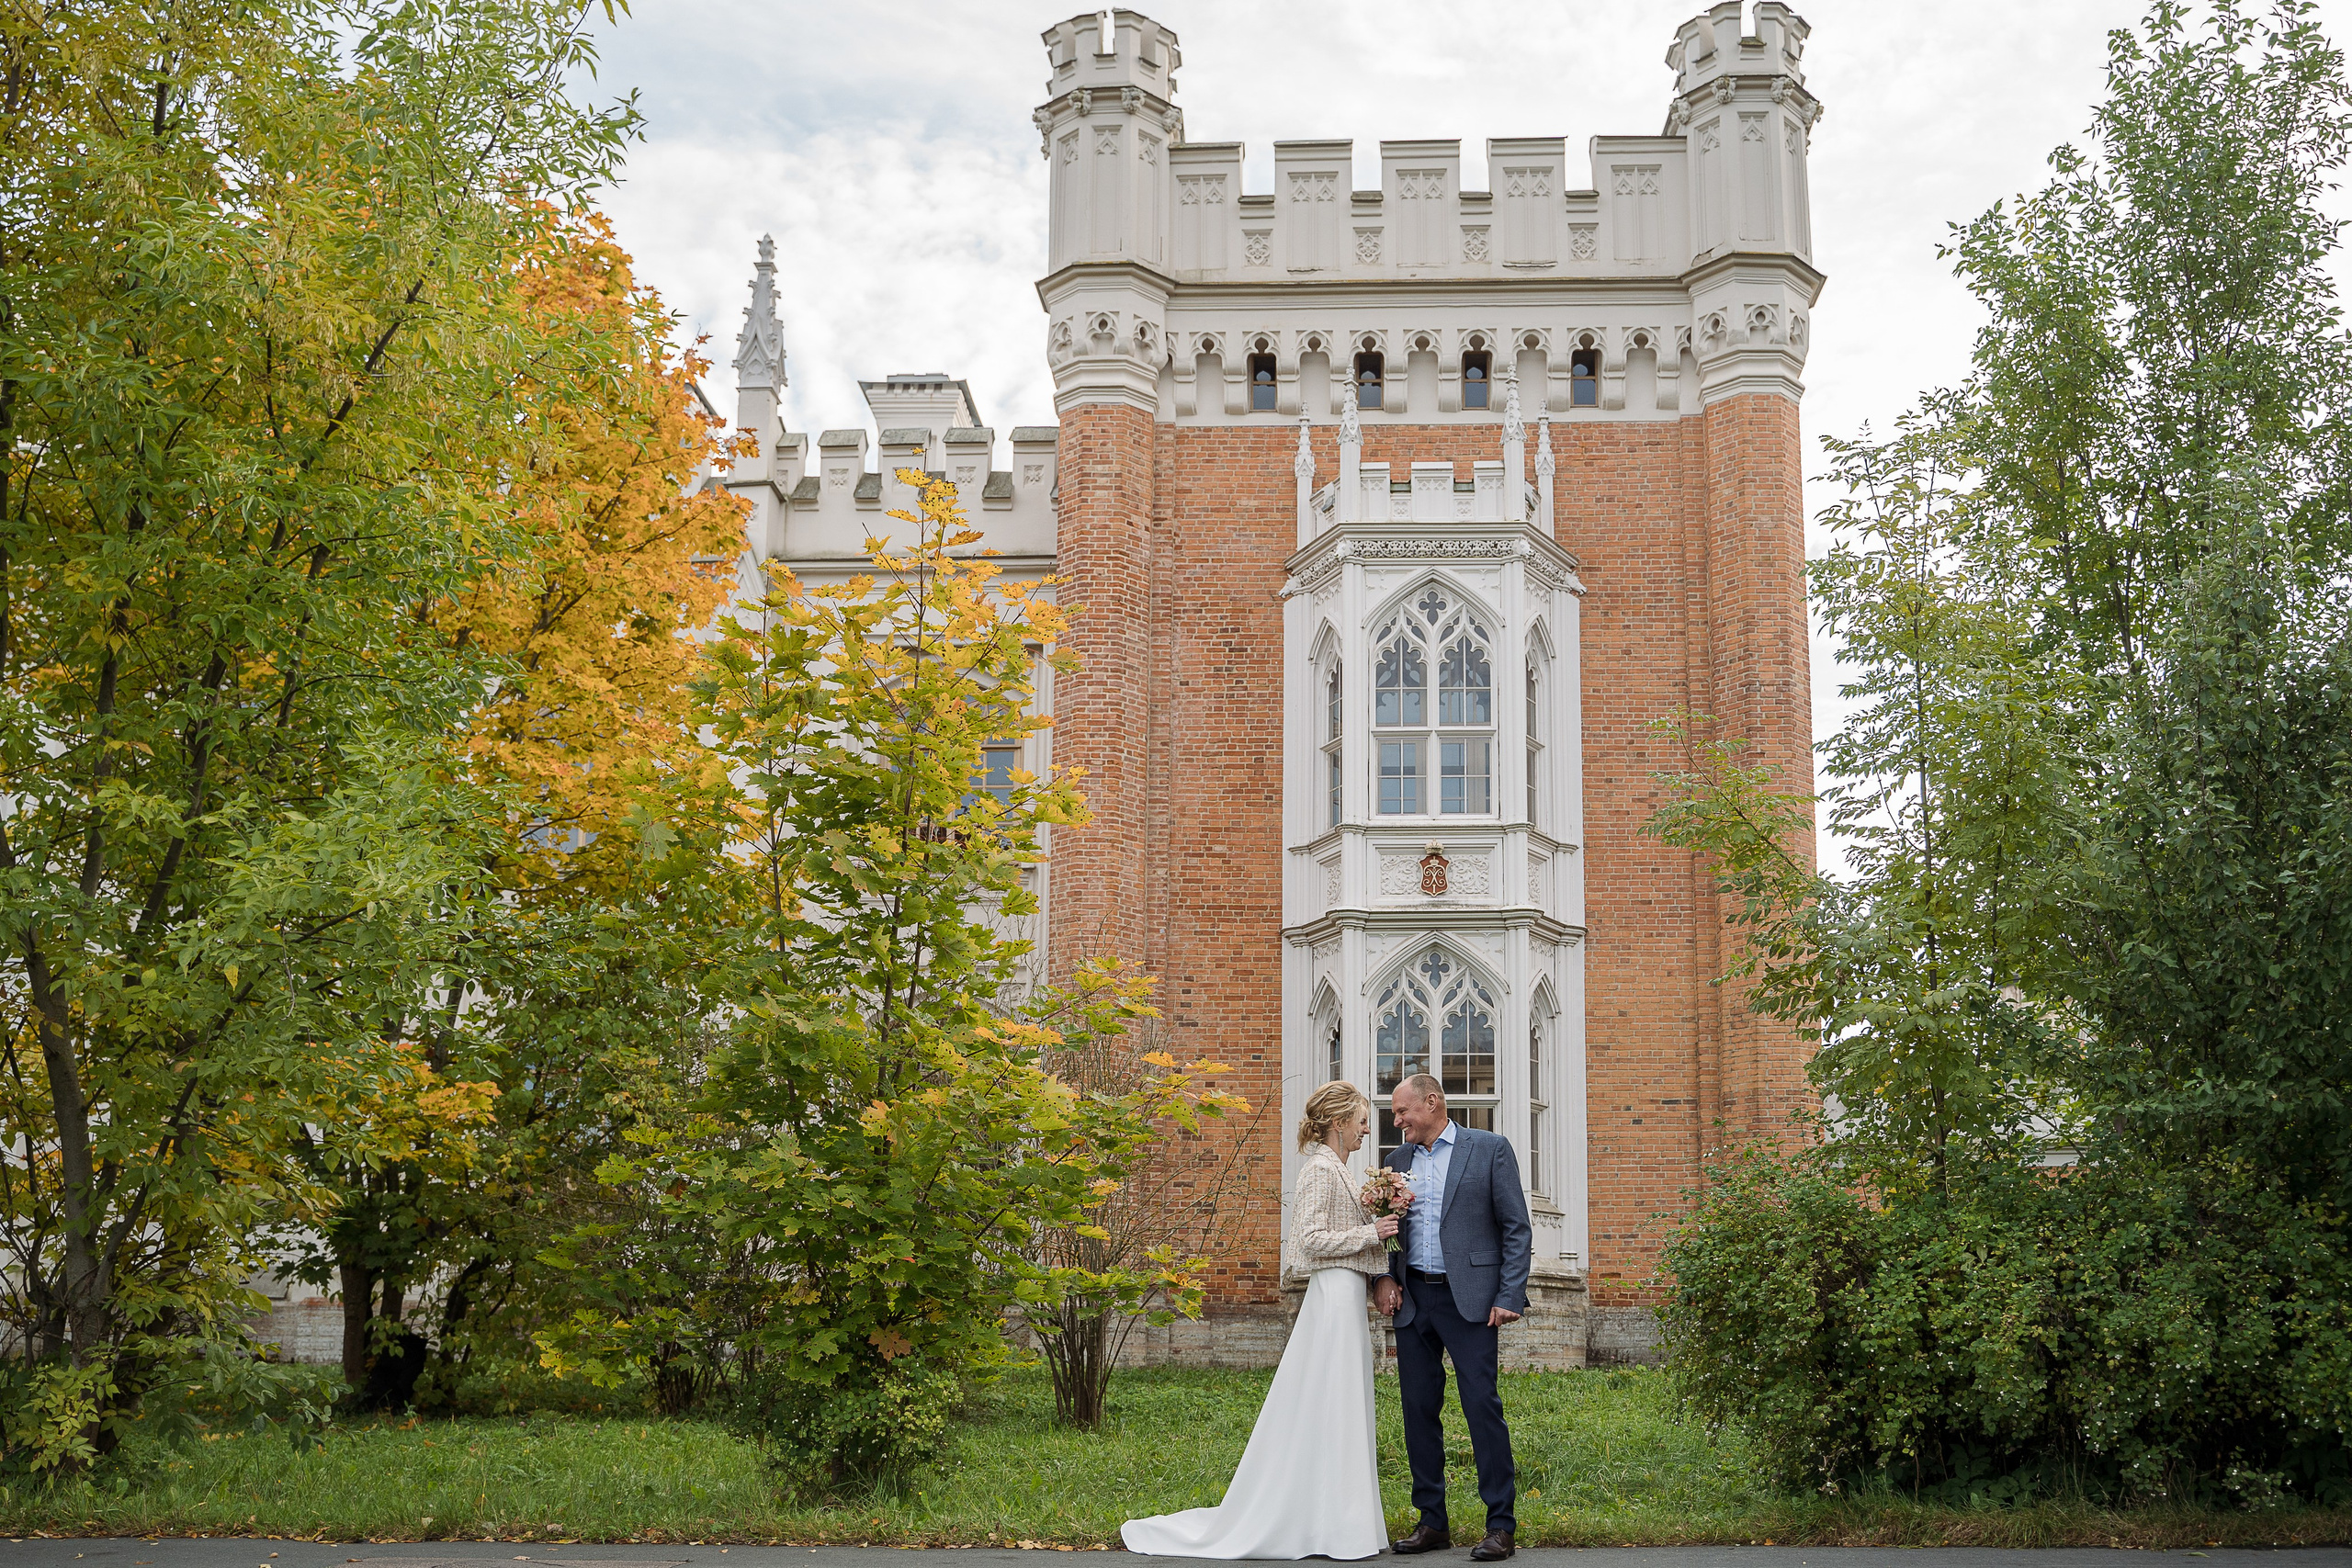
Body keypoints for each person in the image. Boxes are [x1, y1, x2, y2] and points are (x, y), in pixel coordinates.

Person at [1121, 1079, 1405, 1560]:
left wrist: (1378, 1237)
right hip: (1332, 1294)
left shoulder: (1337, 1168)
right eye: (1360, 1123)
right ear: (1337, 1123)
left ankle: (1339, 1521)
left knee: (1340, 1404)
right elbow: (1309, 1242)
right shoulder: (1319, 1168)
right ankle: (1329, 1523)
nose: (1364, 1132)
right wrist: (1371, 1230)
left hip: (1345, 1294)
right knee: (1331, 1401)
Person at [1374, 1073, 1533, 1562]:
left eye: (1403, 1112)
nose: (1396, 1122)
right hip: (1415, 1299)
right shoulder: (1395, 1162)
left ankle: (1500, 1526)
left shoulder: (1489, 1148)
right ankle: (1431, 1522)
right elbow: (1387, 1232)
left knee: (1481, 1407)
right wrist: (1383, 1278)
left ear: (1433, 1102)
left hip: (1473, 1303)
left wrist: (1510, 1294)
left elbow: (1516, 1227)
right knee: (1418, 1411)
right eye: (1395, 1115)